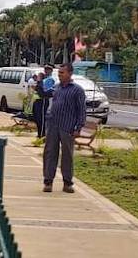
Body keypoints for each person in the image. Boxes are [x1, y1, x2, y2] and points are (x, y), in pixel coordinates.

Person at [43, 63, 87, 194]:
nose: (59, 75)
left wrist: (78, 127)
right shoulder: (56, 88)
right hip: (53, 125)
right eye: (59, 73)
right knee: (50, 153)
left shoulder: (77, 90)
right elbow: (46, 96)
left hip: (67, 127)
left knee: (67, 155)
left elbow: (81, 110)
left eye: (62, 73)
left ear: (70, 73)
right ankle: (48, 181)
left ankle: (67, 183)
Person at [33, 72, 48, 138]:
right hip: (37, 102)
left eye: (38, 76)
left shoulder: (41, 83)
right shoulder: (38, 84)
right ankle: (39, 133)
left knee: (41, 119)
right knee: (37, 119)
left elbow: (42, 93)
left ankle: (42, 135)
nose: (37, 78)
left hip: (42, 102)